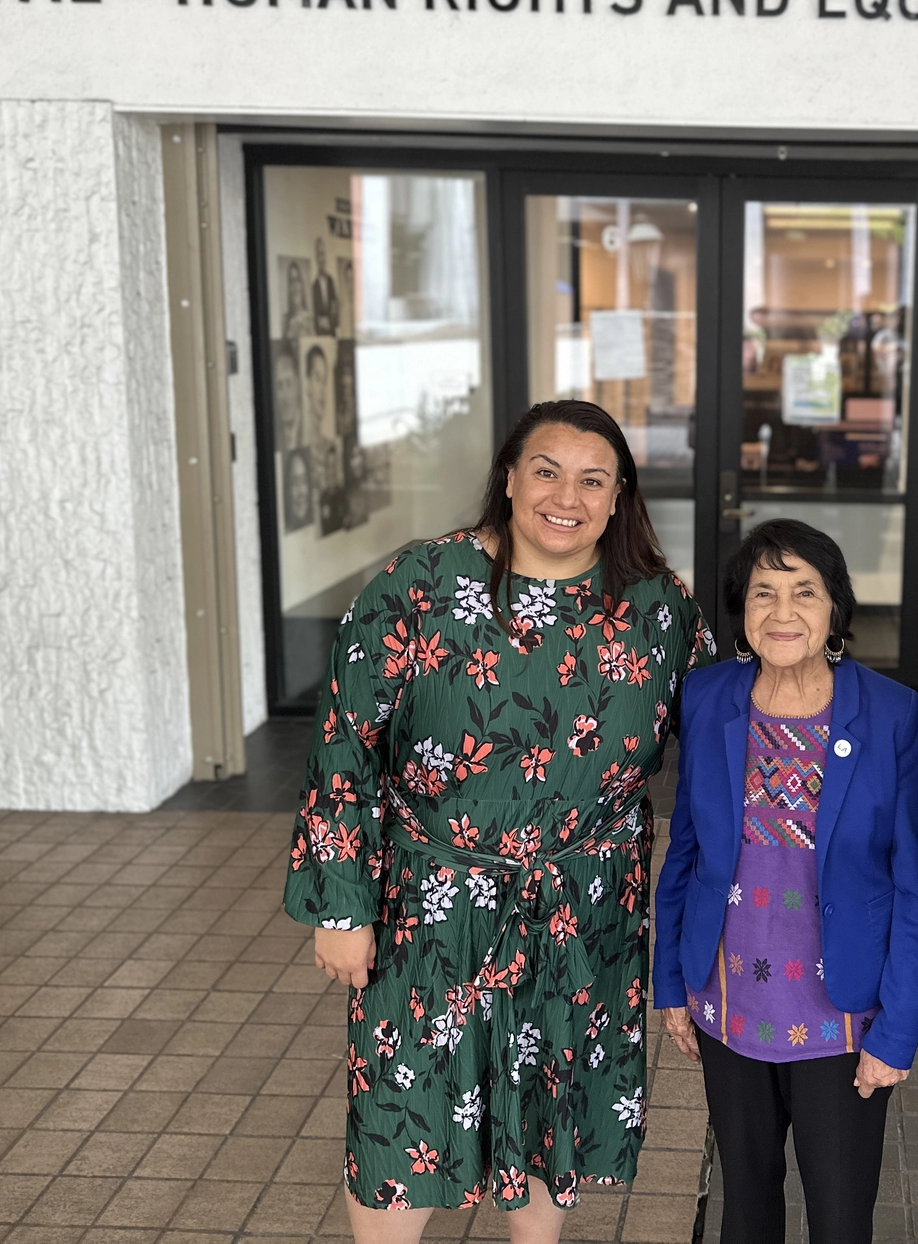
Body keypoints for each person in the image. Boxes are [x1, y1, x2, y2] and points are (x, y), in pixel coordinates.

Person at [284, 399, 714, 1242]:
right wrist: (343, 907)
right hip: (431, 902)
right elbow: (345, 747)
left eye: (594, 480)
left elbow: (719, 745)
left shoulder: (659, 610)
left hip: (585, 911)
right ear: (510, 478)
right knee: (401, 1108)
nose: (567, 495)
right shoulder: (420, 584)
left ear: (620, 496)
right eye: (547, 470)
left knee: (552, 1106)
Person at [656, 519, 918, 1244]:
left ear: (834, 609)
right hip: (730, 1002)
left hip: (841, 1018)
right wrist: (671, 986)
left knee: (841, 1213)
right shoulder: (710, 696)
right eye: (763, 593)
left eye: (804, 592)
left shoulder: (891, 712)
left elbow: (914, 883)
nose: (783, 613)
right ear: (742, 613)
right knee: (745, 1205)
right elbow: (683, 852)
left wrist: (899, 1029)